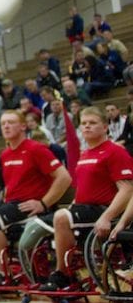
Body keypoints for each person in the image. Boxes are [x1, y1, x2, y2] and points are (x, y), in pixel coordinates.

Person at [0, 110, 71, 285]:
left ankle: (4, 274)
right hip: (11, 203)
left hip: (30, 205)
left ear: (23, 126)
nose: (6, 126)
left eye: (11, 122)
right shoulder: (5, 154)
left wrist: (44, 203)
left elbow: (64, 177)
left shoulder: (35, 149)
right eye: (3, 123)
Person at [45, 106, 132, 289]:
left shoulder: (115, 151)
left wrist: (107, 217)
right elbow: (83, 189)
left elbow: (127, 190)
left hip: (103, 210)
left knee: (61, 217)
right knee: (43, 223)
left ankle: (62, 274)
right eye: (83, 123)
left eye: (92, 123)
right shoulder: (85, 155)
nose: (87, 127)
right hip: (84, 208)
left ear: (105, 127)